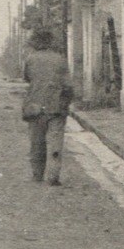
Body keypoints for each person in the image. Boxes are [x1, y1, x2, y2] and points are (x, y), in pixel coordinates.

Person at [22, 28, 75, 186]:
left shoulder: (30, 59)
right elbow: (67, 85)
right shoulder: (60, 59)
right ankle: (53, 176)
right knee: (55, 142)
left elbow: (27, 78)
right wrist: (66, 101)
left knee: (36, 142)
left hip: (35, 106)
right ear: (51, 42)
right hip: (56, 106)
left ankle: (37, 174)